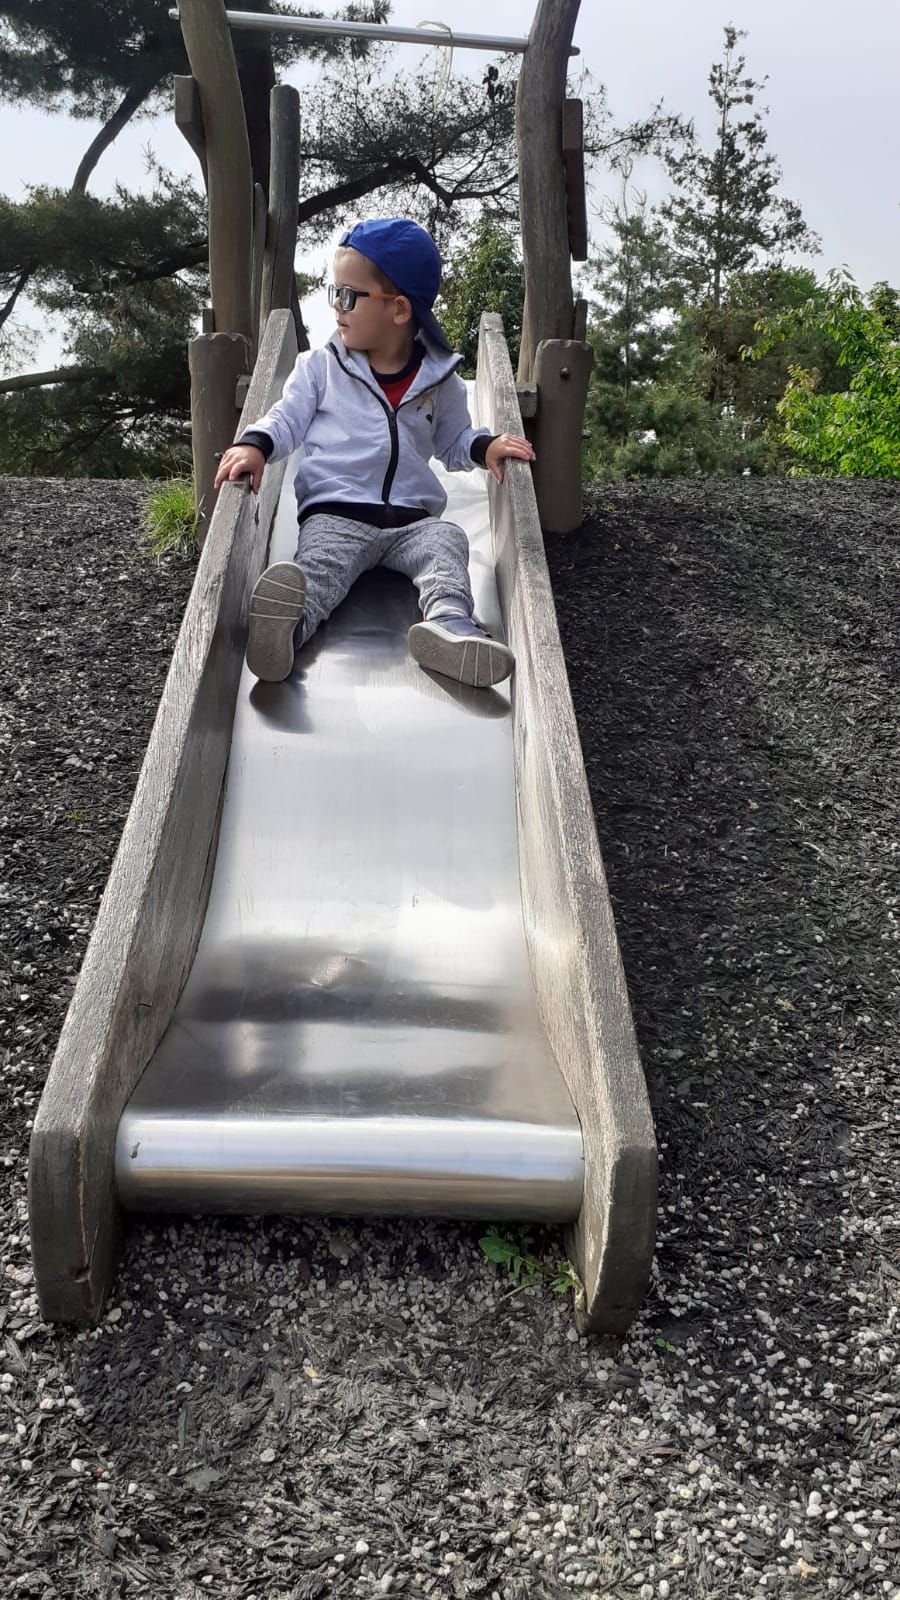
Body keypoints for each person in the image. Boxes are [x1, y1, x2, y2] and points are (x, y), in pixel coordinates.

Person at [214, 217, 535, 689]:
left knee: (447, 543)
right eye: (334, 292)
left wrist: (484, 446)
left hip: (411, 522)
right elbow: (286, 418)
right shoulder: (319, 368)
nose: (336, 307)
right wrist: (255, 444)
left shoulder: (439, 381)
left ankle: (450, 625)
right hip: (337, 514)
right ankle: (286, 631)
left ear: (399, 310)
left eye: (348, 296)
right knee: (317, 571)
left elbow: (453, 440)